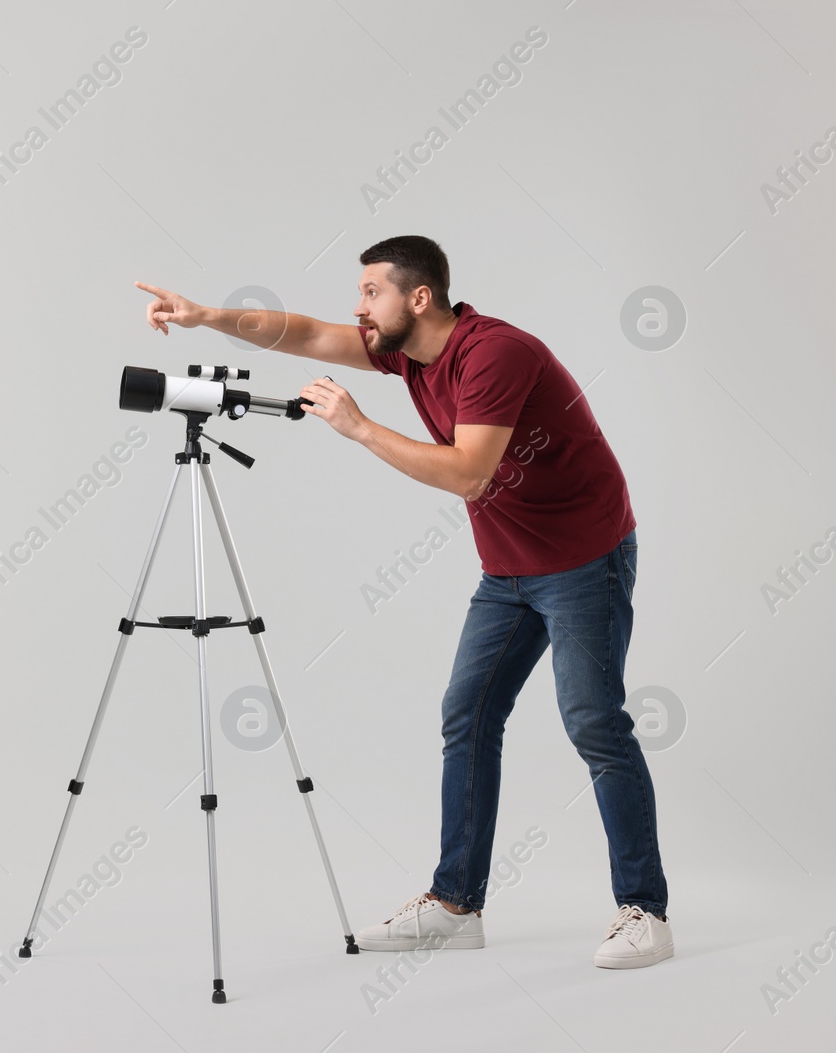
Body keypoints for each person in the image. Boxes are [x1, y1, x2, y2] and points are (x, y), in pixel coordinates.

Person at [134, 235, 672, 969]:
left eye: (369, 292)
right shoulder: (407, 351)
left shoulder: (494, 354)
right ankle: (457, 904)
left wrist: (359, 427)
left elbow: (470, 475)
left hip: (584, 560)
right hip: (509, 566)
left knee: (593, 721)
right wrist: (203, 315)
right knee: (468, 712)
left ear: (418, 298)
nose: (358, 307)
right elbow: (305, 333)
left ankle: (645, 909)